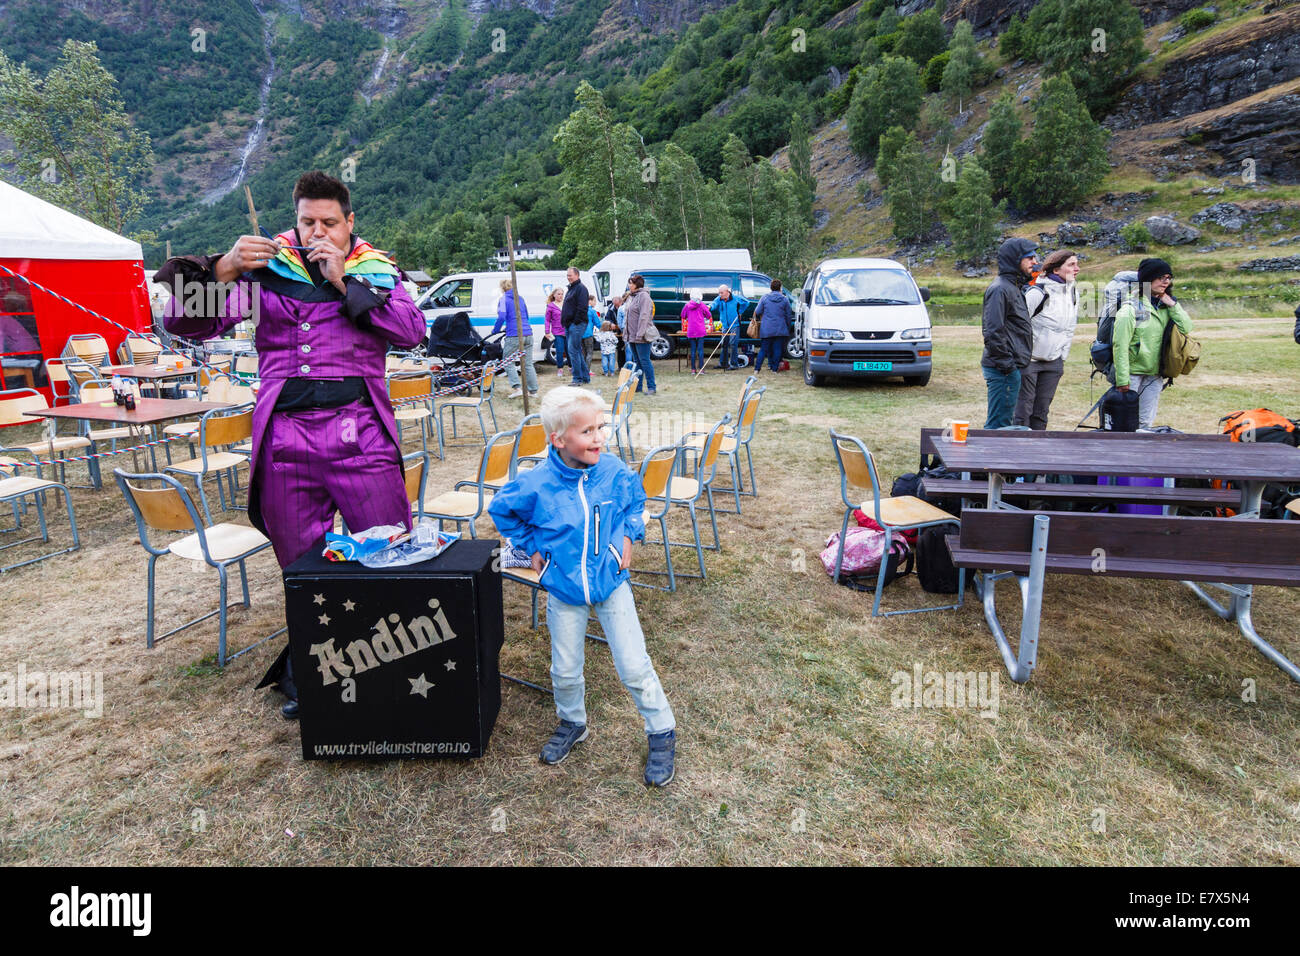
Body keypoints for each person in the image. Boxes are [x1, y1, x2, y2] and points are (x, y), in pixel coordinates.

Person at [159, 170, 426, 719]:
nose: (317, 231)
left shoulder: (373, 270)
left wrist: (340, 282)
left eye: (329, 222)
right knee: (300, 563)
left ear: (350, 223)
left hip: (361, 431)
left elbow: (411, 331)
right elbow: (184, 322)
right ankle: (317, 669)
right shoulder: (265, 268)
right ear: (295, 218)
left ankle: (396, 664)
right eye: (308, 221)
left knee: (388, 547)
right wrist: (226, 266)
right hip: (285, 436)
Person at [488, 387, 676, 786]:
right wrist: (533, 547)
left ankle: (661, 731)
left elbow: (636, 503)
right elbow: (501, 509)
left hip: (612, 585)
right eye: (587, 431)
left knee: (634, 666)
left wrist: (627, 537)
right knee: (566, 669)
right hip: (564, 590)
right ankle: (572, 722)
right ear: (558, 439)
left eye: (600, 428)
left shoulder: (614, 471)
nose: (598, 438)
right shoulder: (536, 484)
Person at [1112, 257, 1192, 430]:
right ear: (1148, 279)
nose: (1166, 281)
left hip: (1155, 374)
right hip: (1132, 375)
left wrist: (1172, 304)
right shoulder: (1129, 308)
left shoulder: (1166, 307)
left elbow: (1186, 327)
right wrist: (1123, 379)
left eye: (1168, 278)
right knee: (1125, 424)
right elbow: (1120, 346)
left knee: (1145, 424)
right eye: (1161, 277)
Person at [1013, 249, 1079, 430]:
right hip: (1029, 361)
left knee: (1041, 412)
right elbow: (1018, 326)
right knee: (1022, 413)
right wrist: (1023, 357)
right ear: (1056, 270)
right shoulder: (1038, 292)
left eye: (1077, 264)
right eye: (1071, 265)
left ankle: (1037, 451)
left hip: (1053, 363)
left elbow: (1069, 328)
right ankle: (1017, 450)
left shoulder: (1073, 293)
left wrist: (1061, 358)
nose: (1077, 268)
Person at [981, 237, 1038, 428]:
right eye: (1029, 258)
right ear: (1016, 260)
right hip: (1002, 369)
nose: (1035, 262)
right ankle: (989, 457)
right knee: (998, 426)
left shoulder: (1013, 287)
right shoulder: (1000, 289)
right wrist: (1008, 367)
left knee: (1003, 423)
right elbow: (992, 332)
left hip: (1008, 368)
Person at [493, 278, 538, 399]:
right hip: (528, 333)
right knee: (528, 363)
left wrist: (496, 329)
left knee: (507, 361)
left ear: (502, 288)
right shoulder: (521, 298)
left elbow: (501, 316)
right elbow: (526, 316)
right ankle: (533, 391)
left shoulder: (503, 299)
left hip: (514, 335)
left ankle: (517, 388)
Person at [623, 274, 657, 394]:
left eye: (631, 283)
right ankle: (637, 387)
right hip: (632, 335)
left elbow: (644, 317)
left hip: (641, 336)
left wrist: (639, 334)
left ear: (637, 284)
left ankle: (652, 387)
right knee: (637, 362)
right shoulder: (632, 296)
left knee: (644, 361)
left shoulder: (643, 296)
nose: (629, 285)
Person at [752, 279, 793, 373]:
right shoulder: (784, 299)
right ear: (780, 288)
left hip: (766, 328)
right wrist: (787, 326)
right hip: (780, 328)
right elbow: (788, 315)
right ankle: (774, 369)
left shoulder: (764, 298)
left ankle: (757, 369)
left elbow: (757, 311)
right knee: (777, 349)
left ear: (770, 287)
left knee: (763, 349)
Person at [560, 266, 591, 385]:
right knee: (576, 350)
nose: (568, 277)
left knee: (572, 350)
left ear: (577, 275)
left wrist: (575, 322)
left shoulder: (581, 289)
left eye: (570, 275)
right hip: (569, 324)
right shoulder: (571, 289)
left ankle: (577, 378)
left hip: (576, 324)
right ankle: (585, 377)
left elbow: (582, 307)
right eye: (567, 275)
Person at [709, 284, 750, 370]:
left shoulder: (735, 298)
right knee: (724, 344)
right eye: (719, 293)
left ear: (727, 292)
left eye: (722, 293)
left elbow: (746, 302)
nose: (720, 294)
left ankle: (734, 364)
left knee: (733, 344)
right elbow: (713, 304)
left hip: (734, 324)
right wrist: (709, 307)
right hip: (725, 325)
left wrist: (740, 311)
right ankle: (723, 363)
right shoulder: (719, 299)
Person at [681, 289, 711, 373]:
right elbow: (709, 315)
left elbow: (683, 315)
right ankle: (701, 369)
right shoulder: (702, 305)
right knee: (700, 350)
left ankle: (693, 370)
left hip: (691, 330)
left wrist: (688, 317)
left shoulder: (687, 305)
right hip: (700, 330)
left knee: (693, 350)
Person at [545, 287, 567, 377]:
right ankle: (560, 369)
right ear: (554, 295)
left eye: (562, 294)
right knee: (560, 350)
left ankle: (571, 366)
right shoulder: (551, 306)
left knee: (570, 350)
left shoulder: (566, 304)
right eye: (558, 294)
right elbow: (547, 320)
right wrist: (547, 331)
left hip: (568, 331)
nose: (560, 296)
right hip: (557, 332)